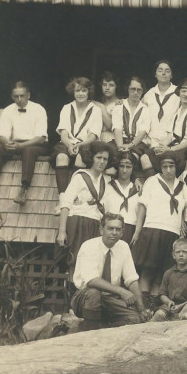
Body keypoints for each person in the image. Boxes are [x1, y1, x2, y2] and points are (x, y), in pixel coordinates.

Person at [70, 213, 147, 331]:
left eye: (118, 229)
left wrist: (141, 308)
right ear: (101, 230)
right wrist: (122, 291)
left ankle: (106, 327)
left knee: (135, 319)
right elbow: (92, 281)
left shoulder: (124, 247)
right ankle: (89, 333)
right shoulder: (89, 246)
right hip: (85, 297)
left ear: (122, 232)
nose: (114, 233)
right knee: (94, 293)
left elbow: (131, 279)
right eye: (110, 228)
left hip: (111, 299)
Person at [133, 152, 187, 296]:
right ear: (160, 167)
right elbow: (142, 206)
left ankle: (153, 306)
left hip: (172, 233)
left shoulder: (182, 186)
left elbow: (182, 208)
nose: (168, 170)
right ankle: (143, 306)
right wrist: (138, 230)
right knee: (147, 272)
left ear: (176, 167)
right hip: (153, 230)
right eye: (165, 166)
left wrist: (181, 220)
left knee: (161, 275)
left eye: (171, 166)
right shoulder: (152, 181)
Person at [56, 141, 111, 281]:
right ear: (91, 157)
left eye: (105, 159)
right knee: (74, 261)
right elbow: (66, 204)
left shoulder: (107, 180)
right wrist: (62, 231)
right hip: (78, 222)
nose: (102, 162)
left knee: (90, 263)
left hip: (95, 225)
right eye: (98, 157)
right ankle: (71, 296)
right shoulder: (80, 177)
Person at [0, 81, 48, 205]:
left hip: (36, 144)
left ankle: (23, 191)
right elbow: (2, 134)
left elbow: (41, 138)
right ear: (12, 96)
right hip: (16, 144)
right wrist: (6, 143)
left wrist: (21, 146)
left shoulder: (39, 109)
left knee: (28, 150)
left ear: (29, 95)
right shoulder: (8, 110)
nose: (19, 99)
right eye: (16, 96)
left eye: (22, 96)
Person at [51, 77, 103, 193]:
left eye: (84, 90)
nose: (80, 94)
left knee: (80, 159)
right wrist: (70, 146)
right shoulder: (66, 108)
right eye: (77, 91)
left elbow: (93, 136)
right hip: (67, 143)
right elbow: (63, 134)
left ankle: (74, 197)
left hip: (86, 145)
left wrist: (79, 145)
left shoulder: (96, 110)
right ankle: (63, 198)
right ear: (73, 92)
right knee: (61, 157)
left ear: (89, 92)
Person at [142, 60, 180, 175]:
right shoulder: (149, 94)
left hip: (171, 140)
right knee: (145, 160)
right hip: (151, 141)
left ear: (172, 75)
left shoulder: (178, 93)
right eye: (160, 70)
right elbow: (138, 111)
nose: (163, 73)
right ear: (155, 74)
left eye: (167, 71)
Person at [151, 238, 187, 321]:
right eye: (178, 252)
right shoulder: (168, 273)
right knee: (159, 314)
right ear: (174, 255)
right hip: (170, 305)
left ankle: (177, 319)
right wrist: (169, 302)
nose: (181, 254)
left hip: (186, 304)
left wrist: (180, 306)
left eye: (184, 252)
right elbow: (162, 294)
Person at [110, 76, 151, 175]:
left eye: (139, 90)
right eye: (133, 89)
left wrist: (130, 145)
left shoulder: (145, 109)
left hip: (137, 143)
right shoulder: (119, 106)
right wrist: (120, 146)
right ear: (128, 89)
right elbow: (117, 128)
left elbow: (142, 132)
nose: (136, 92)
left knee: (129, 158)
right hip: (120, 140)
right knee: (109, 157)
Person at [103, 151, 141, 244]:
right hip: (111, 228)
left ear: (133, 168)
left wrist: (137, 232)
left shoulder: (138, 189)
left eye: (128, 167)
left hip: (130, 230)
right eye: (121, 166)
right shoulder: (108, 185)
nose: (124, 170)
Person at [96, 71, 123, 146]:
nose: (107, 88)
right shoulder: (99, 103)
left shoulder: (119, 104)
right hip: (98, 139)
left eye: (111, 85)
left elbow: (110, 126)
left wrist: (102, 107)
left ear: (116, 87)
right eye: (104, 85)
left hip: (111, 140)